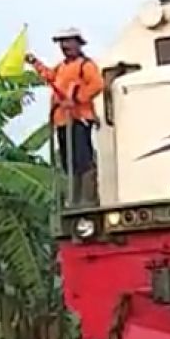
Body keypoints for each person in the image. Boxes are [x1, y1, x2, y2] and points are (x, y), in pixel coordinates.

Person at [27, 28, 104, 207]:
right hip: (62, 120)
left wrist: (77, 98)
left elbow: (97, 84)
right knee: (68, 161)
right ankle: (73, 199)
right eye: (62, 43)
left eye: (68, 42)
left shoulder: (85, 65)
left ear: (77, 43)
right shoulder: (62, 67)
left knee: (83, 160)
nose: (65, 46)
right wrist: (34, 62)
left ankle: (87, 199)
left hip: (79, 118)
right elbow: (50, 77)